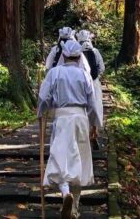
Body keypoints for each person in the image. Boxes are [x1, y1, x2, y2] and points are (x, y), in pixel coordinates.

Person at [38, 40, 103, 219]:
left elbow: (44, 97)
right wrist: (94, 125)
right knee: (79, 159)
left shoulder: (55, 73)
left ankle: (65, 192)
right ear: (78, 56)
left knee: (61, 157)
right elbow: (92, 103)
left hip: (62, 119)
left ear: (64, 55)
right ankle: (74, 207)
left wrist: (41, 111)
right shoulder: (85, 75)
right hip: (81, 119)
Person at [76, 30, 105, 147]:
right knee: (95, 107)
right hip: (94, 83)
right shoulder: (95, 51)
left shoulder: (76, 51)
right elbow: (101, 67)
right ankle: (94, 132)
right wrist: (96, 76)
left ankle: (85, 134)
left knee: (82, 108)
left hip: (79, 84)